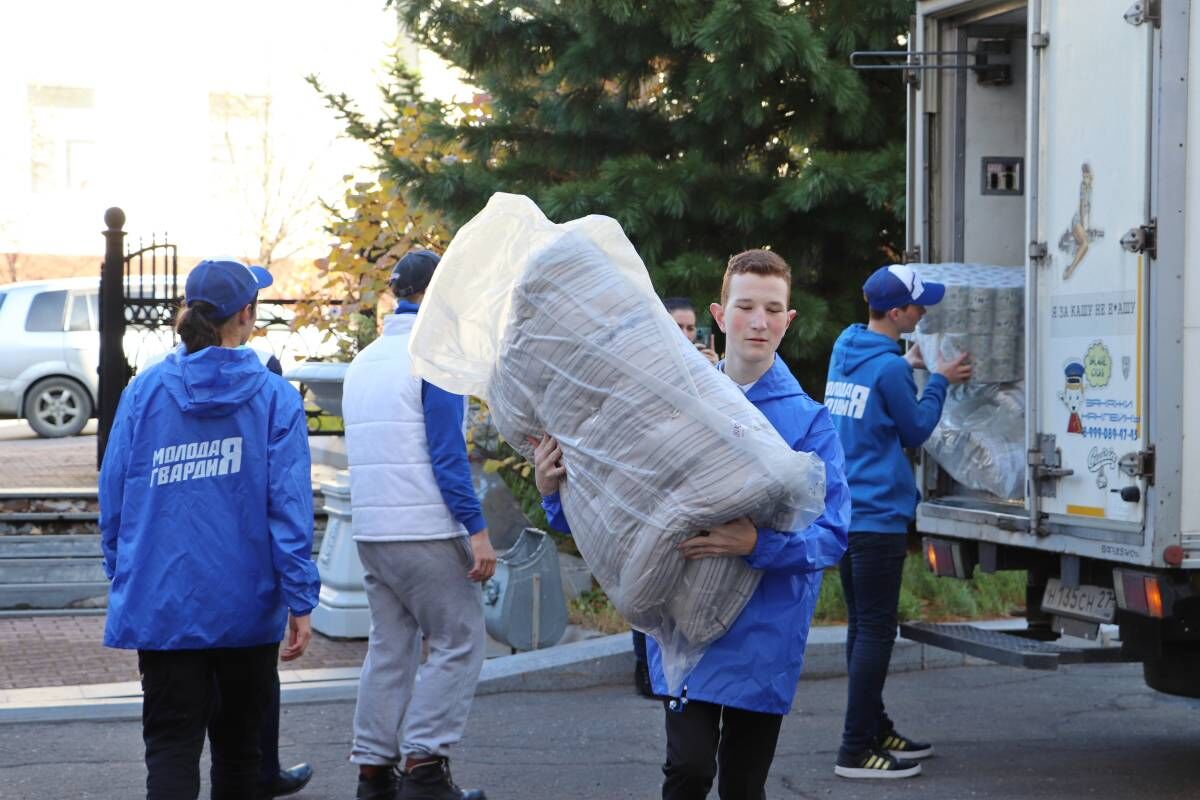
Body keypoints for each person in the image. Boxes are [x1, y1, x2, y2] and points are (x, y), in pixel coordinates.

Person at [534, 249, 850, 799]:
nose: (759, 321)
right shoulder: (676, 398)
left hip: (765, 633)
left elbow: (833, 533)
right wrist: (552, 494)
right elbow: (624, 500)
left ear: (788, 320)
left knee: (742, 788)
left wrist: (759, 544)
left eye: (773, 309)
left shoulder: (810, 422)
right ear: (719, 315)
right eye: (745, 306)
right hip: (683, 624)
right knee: (689, 771)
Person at [99, 258, 320, 800]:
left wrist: (128, 572)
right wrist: (301, 599)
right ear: (246, 316)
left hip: (165, 604)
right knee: (242, 756)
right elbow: (288, 510)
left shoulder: (144, 393)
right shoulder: (275, 399)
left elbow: (114, 499)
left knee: (171, 750)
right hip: (245, 606)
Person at [342, 248, 496, 800]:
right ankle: (426, 767)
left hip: (372, 531)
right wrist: (476, 530)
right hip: (425, 527)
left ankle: (373, 771)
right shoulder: (434, 357)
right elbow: (447, 454)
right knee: (459, 640)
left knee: (390, 647)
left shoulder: (364, 361)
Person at [824, 264, 972, 779]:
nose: (924, 310)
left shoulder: (848, 349)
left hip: (847, 513)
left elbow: (873, 400)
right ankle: (853, 749)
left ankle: (874, 727)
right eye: (917, 305)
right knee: (876, 632)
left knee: (862, 628)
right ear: (895, 312)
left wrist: (907, 364)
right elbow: (915, 431)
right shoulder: (889, 370)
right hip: (878, 516)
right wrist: (939, 382)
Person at [664, 296, 720, 366]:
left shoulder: (700, 358)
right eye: (677, 327)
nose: (685, 334)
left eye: (690, 328)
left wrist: (714, 368)